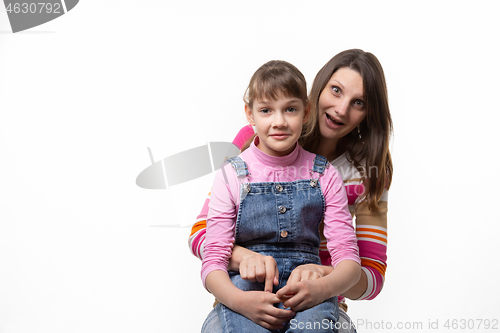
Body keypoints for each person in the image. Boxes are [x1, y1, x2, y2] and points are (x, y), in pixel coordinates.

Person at [189, 49, 393, 332]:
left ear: (369, 113)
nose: (341, 109)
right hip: (247, 293)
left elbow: (372, 277)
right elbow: (202, 234)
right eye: (336, 91)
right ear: (317, 93)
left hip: (320, 299)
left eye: (358, 102)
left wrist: (324, 278)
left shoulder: (367, 172)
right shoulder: (255, 142)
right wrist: (248, 258)